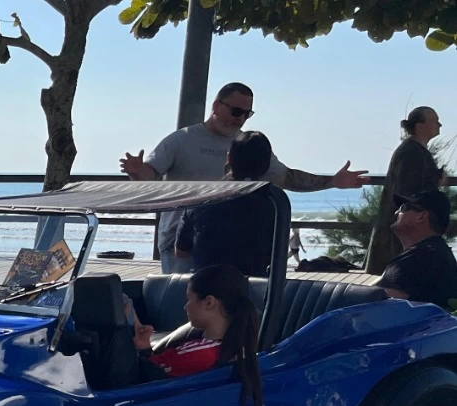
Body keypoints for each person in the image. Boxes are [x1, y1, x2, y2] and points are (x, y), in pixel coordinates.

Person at [121, 82, 365, 272]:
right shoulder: (181, 139)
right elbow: (151, 176)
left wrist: (332, 182)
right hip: (179, 243)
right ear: (217, 106)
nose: (240, 118)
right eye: (236, 110)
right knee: (180, 310)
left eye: (247, 114)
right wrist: (138, 173)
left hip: (231, 248)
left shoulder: (248, 144)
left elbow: (287, 178)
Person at [132, 263, 265, 406]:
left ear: (209, 303)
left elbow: (143, 374)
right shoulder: (230, 349)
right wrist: (145, 346)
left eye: (189, 299)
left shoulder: (200, 354)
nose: (185, 307)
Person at [172, 130, 280, 277]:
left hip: (205, 286)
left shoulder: (203, 198)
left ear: (229, 158)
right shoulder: (274, 203)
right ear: (267, 164)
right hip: (254, 288)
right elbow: (277, 253)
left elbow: (181, 251)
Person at [366, 107, 445, 273]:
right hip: (406, 229)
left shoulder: (415, 150)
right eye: (434, 120)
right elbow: (407, 192)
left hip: (409, 228)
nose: (439, 124)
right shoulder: (411, 152)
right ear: (419, 125)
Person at [378, 189, 457, 307]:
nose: (396, 212)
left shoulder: (420, 257)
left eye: (404, 208)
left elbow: (381, 302)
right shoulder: (436, 251)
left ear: (422, 216)